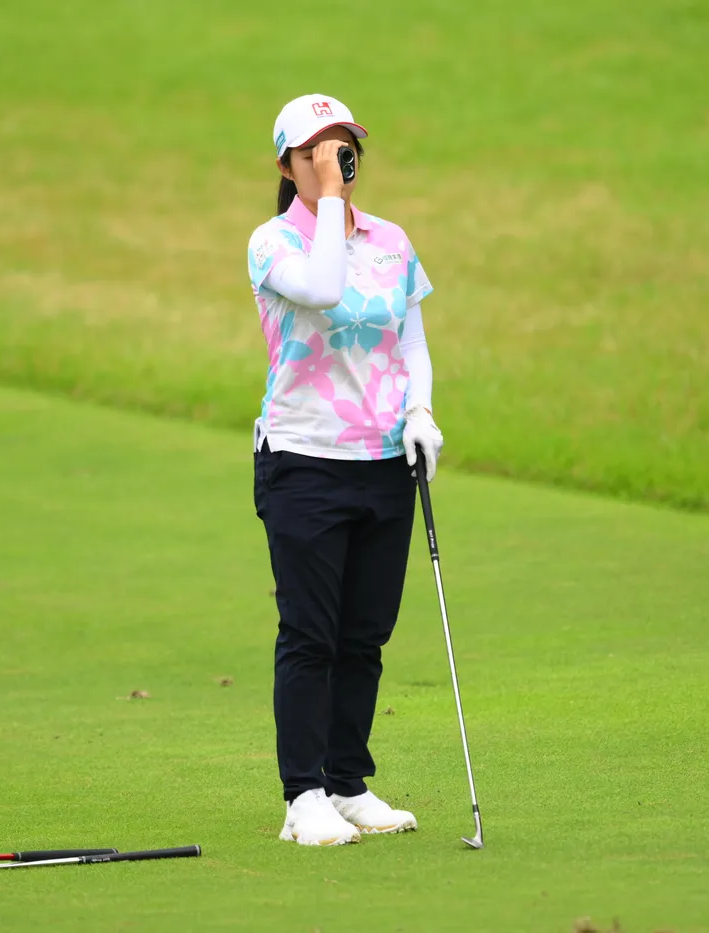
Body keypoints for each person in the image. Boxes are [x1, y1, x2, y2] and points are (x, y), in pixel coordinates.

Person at [246, 94, 444, 846]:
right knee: (311, 634)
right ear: (286, 166)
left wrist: (420, 411)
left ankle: (347, 783)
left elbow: (410, 340)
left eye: (342, 148)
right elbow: (323, 288)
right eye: (315, 151)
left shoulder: (392, 240)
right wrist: (328, 200)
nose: (334, 160)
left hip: (383, 461)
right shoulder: (273, 242)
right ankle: (303, 797)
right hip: (304, 459)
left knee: (365, 635)